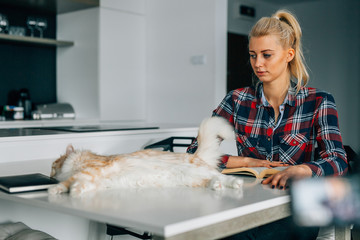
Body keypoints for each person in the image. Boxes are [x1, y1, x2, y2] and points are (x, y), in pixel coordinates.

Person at [187, 9, 348, 240]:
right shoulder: (236, 100)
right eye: (253, 55)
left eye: (267, 55)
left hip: (297, 207)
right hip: (247, 203)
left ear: (289, 54)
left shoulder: (319, 101)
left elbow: (338, 159)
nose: (258, 63)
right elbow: (194, 153)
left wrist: (302, 169)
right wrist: (246, 161)